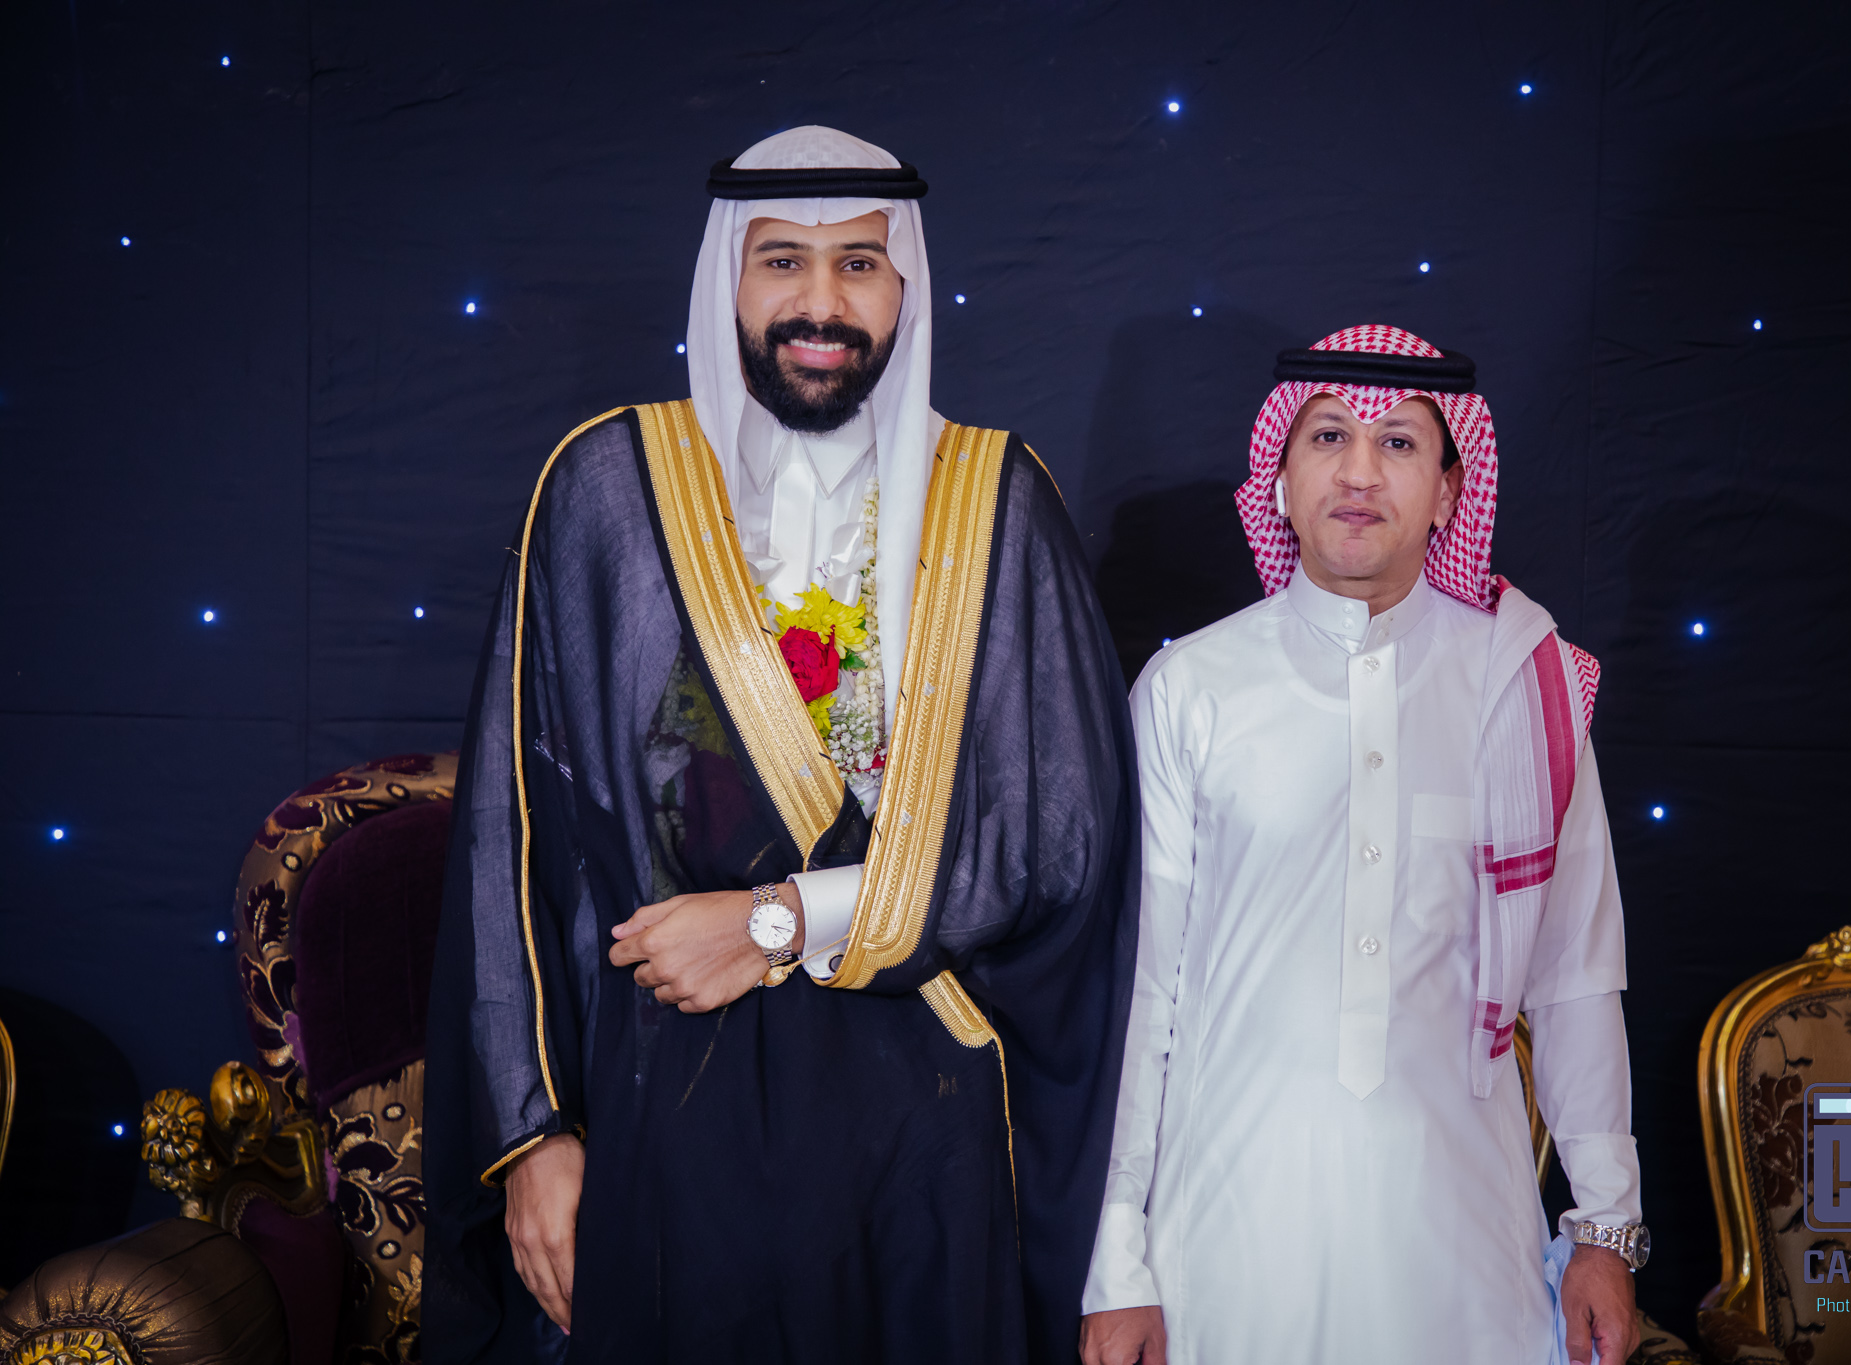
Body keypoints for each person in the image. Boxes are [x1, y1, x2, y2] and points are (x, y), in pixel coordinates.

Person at [425, 125, 1138, 1365]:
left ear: (905, 284)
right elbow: (512, 835)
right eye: (782, 262)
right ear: (727, 277)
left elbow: (1056, 840)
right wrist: (533, 1135)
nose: (821, 303)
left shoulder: (996, 502)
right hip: (666, 1118)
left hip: (921, 1126)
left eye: (858, 263)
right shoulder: (605, 489)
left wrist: (776, 922)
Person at [1078, 326, 1646, 1365]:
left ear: (1448, 491)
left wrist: (1604, 1231)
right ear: (1279, 478)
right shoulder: (1189, 688)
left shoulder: (1528, 692)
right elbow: (1141, 994)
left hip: (1463, 1245)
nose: (1358, 472)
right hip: (1226, 1233)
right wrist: (1117, 1262)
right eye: (1328, 436)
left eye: (1399, 443)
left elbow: (1574, 980)